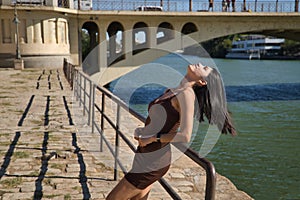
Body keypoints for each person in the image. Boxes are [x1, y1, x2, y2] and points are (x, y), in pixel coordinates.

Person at [106, 63, 236, 200]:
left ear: (202, 81)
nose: (200, 64)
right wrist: (143, 130)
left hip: (154, 161)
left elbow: (185, 135)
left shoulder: (187, 95)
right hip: (144, 154)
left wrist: (152, 138)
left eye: (204, 68)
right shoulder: (173, 90)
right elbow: (159, 120)